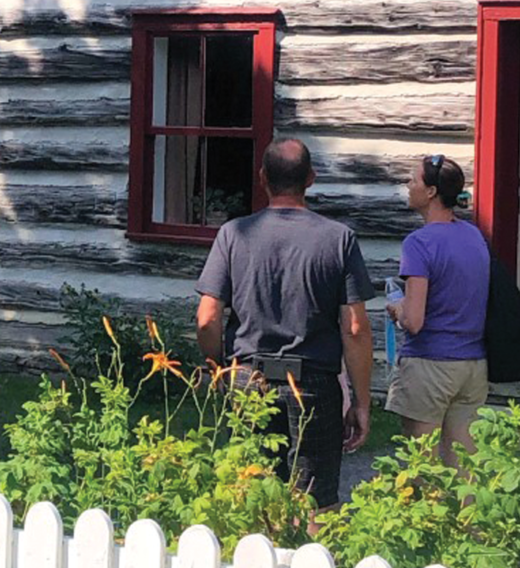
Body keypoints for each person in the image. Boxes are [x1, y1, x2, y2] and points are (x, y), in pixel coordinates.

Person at [195, 138, 375, 524]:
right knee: (316, 501)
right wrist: (361, 401)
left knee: (250, 487)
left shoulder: (232, 235)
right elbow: (356, 328)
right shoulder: (338, 239)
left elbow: (207, 317)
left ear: (262, 179)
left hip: (246, 377)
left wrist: (217, 368)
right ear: (310, 179)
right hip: (313, 381)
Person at [385, 155, 488, 468]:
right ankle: (468, 519)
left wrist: (396, 307)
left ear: (430, 192)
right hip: (472, 366)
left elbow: (414, 321)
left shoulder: (419, 243)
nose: (408, 186)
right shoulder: (473, 234)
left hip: (430, 364)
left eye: (414, 180)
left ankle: (422, 519)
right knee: (462, 468)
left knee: (420, 468)